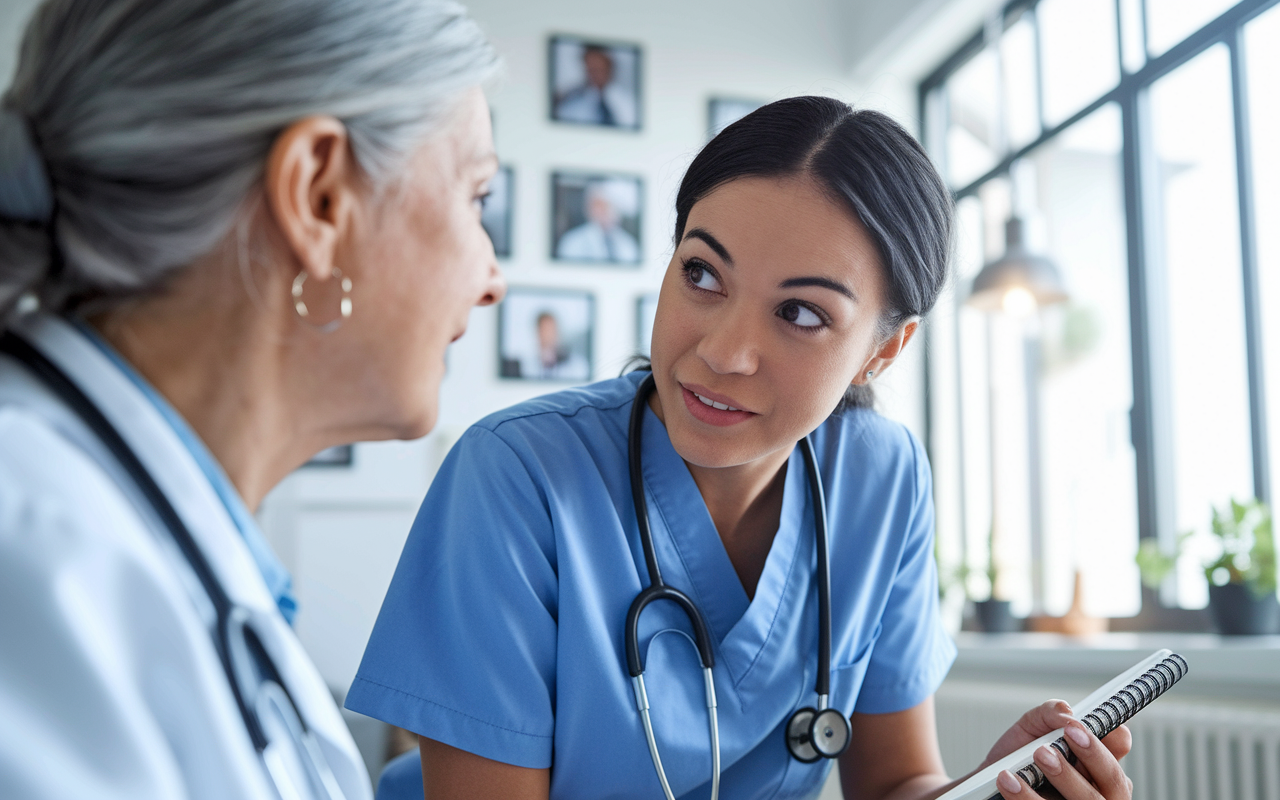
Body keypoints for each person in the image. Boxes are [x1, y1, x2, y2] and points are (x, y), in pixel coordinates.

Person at [347, 97, 1135, 800]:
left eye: (799, 313)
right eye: (701, 272)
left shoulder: (882, 477)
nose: (724, 352)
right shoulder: (516, 476)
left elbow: (894, 780)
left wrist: (986, 792)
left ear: (883, 351)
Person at [0, 1, 504, 799]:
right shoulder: (36, 559)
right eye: (477, 197)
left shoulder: (141, 538)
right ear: (320, 199)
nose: (492, 280)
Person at [554, 179, 641, 263]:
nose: (606, 211)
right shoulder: (571, 241)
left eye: (610, 206)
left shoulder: (629, 244)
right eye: (599, 205)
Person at [553, 44, 639, 128]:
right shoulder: (570, 103)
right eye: (591, 69)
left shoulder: (630, 102)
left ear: (610, 65)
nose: (596, 74)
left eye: (600, 68)